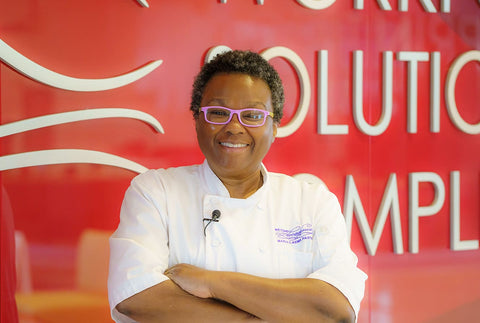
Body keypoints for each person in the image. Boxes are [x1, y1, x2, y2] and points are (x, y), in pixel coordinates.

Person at [108, 50, 367, 323]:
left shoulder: (311, 202)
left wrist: (211, 283)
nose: (234, 127)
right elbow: (136, 297)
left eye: (252, 115)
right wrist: (268, 316)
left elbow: (336, 309)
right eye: (218, 112)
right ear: (197, 119)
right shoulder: (156, 191)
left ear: (275, 125)